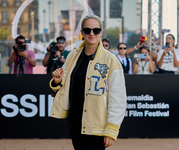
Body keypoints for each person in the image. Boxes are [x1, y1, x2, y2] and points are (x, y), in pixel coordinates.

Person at [49, 15, 127, 150]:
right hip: (75, 122)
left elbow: (118, 99)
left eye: (96, 30)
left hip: (97, 125)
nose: (92, 33)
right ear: (82, 33)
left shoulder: (111, 60)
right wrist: (57, 81)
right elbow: (64, 83)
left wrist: (112, 129)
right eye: (87, 30)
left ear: (101, 32)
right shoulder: (73, 55)